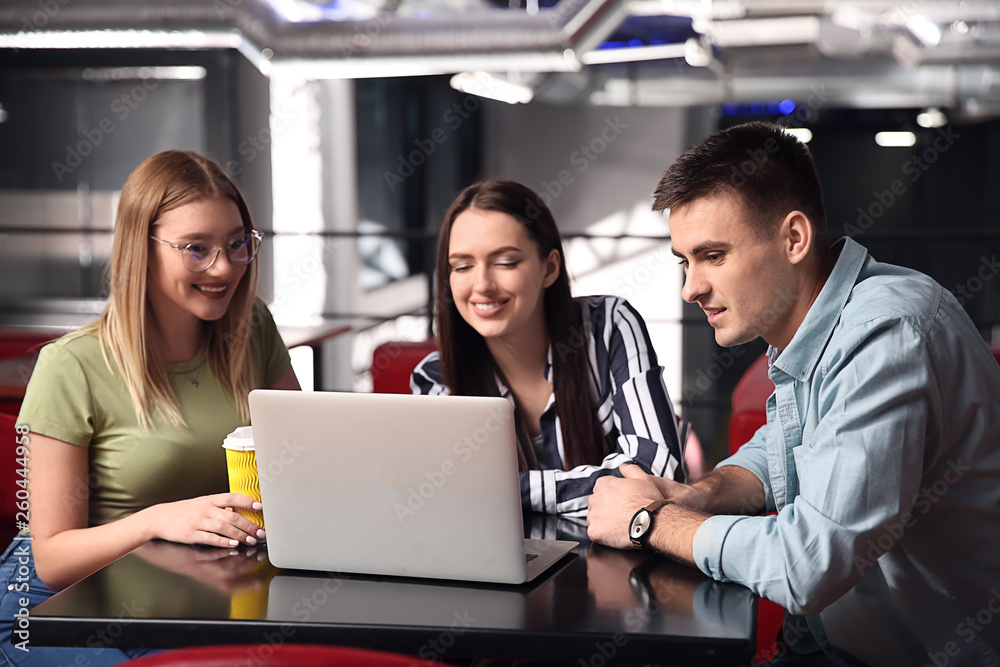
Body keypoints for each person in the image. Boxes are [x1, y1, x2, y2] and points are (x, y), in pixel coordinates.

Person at [586, 121, 1000, 665]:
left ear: (794, 238)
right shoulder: (820, 323)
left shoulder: (885, 334)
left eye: (713, 255)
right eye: (685, 261)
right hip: (831, 639)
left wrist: (651, 523)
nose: (691, 288)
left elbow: (808, 565)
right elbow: (785, 440)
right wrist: (700, 495)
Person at [0, 150, 299, 666]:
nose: (223, 267)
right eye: (196, 249)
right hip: (58, 610)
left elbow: (300, 456)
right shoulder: (70, 366)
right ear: (143, 248)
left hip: (191, 594)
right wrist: (154, 520)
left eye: (236, 245)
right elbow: (49, 559)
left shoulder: (252, 330)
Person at [411, 178, 684, 516]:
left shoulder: (609, 326)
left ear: (549, 267)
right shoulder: (437, 379)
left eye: (506, 262)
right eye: (462, 266)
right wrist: (605, 489)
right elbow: (451, 499)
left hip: (619, 559)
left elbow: (658, 473)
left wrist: (509, 490)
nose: (482, 284)